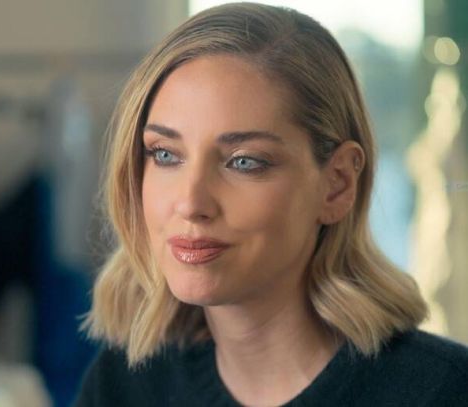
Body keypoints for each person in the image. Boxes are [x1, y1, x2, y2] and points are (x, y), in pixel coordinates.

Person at [74, 3, 468, 406]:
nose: (191, 203)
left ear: (337, 184)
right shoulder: (122, 384)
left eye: (244, 162)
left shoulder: (445, 392)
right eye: (165, 155)